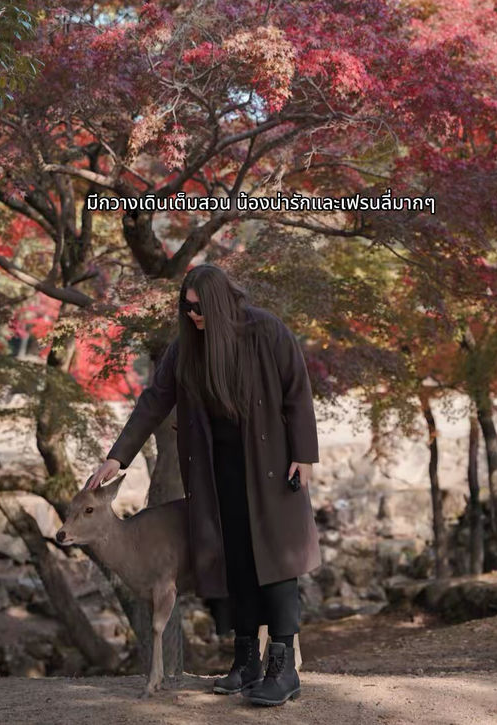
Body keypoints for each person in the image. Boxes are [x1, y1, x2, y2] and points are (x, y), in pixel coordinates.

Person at [87, 263, 321, 706]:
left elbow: (297, 390)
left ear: (215, 301)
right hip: (218, 473)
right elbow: (154, 401)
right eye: (185, 307)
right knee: (238, 564)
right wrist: (117, 457)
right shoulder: (185, 349)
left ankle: (283, 667)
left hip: (272, 467)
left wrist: (303, 454)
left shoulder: (266, 331)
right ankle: (246, 661)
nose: (192, 315)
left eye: (197, 308)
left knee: (276, 562)